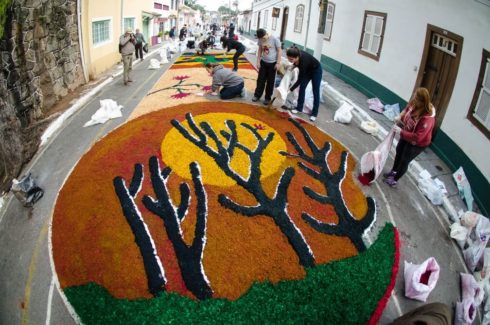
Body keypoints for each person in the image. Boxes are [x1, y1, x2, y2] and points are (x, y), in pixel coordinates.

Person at [383, 87, 436, 187]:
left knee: (404, 159)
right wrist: (400, 116)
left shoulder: (427, 119)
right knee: (399, 151)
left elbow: (418, 137)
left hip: (417, 143)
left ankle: (395, 179)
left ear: (422, 102)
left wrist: (401, 131)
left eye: (416, 99)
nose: (414, 100)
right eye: (414, 98)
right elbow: (407, 108)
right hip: (407, 132)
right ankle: (393, 172)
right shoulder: (414, 102)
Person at [286, 47, 323, 121]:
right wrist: (293, 66)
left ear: (297, 57)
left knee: (315, 91)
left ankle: (314, 113)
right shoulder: (296, 53)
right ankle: (299, 108)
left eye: (291, 59)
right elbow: (296, 63)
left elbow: (300, 79)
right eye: (288, 59)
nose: (290, 61)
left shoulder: (303, 62)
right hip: (307, 70)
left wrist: (290, 89)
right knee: (302, 88)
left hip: (316, 70)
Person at [252, 28, 282, 105]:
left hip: (273, 64)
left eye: (263, 38)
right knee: (260, 80)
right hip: (263, 62)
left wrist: (278, 63)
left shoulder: (274, 39)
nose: (262, 40)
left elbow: (279, 51)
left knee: (270, 81)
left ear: (266, 34)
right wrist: (258, 61)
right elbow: (259, 50)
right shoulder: (260, 39)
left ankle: (267, 98)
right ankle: (257, 95)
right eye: (260, 39)